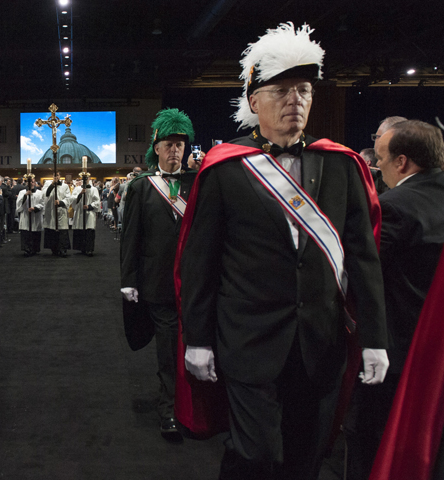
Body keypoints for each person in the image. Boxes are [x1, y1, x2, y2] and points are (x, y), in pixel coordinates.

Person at [177, 23, 388, 480]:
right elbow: (200, 261)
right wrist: (196, 337)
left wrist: (374, 336)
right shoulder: (225, 168)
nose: (295, 100)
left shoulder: (342, 164)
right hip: (247, 340)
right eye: (282, 91)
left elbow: (363, 257)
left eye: (304, 91)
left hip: (320, 341)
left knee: (306, 456)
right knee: (254, 455)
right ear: (254, 102)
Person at [344, 120, 444, 480]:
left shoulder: (395, 206)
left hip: (396, 352)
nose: (378, 169)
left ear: (402, 162)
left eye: (381, 160)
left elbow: (359, 274)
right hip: (435, 356)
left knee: (371, 441)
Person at [120, 108, 198, 442]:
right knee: (168, 350)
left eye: (180, 144)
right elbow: (130, 236)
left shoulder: (199, 183)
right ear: (156, 147)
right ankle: (168, 409)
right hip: (159, 284)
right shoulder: (141, 187)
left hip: (197, 285)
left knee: (197, 349)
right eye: (168, 143)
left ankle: (196, 407)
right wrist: (128, 279)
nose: (175, 150)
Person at [71, 172, 101, 256]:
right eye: (83, 178)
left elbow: (97, 202)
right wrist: (80, 194)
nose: (84, 180)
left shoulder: (93, 189)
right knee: (80, 230)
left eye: (86, 178)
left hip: (89, 213)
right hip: (80, 212)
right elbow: (73, 200)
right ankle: (81, 248)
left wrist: (89, 206)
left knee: (89, 230)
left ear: (89, 179)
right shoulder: (77, 189)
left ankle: (89, 249)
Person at [43, 171, 71, 257]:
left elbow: (68, 198)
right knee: (52, 231)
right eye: (54, 175)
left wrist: (60, 202)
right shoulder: (47, 185)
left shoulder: (65, 186)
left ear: (60, 176)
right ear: (52, 176)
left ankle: (63, 249)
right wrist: (52, 184)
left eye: (57, 175)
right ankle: (54, 249)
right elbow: (45, 195)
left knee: (62, 231)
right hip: (51, 212)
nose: (56, 177)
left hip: (61, 211)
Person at [16, 174, 44, 256]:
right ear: (27, 183)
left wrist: (35, 208)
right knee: (26, 233)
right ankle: (27, 249)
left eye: (33, 182)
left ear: (35, 183)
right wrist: (25, 196)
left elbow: (42, 204)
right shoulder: (22, 192)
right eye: (30, 182)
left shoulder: (39, 193)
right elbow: (18, 204)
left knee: (35, 232)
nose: (31, 183)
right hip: (26, 215)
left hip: (35, 216)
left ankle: (35, 249)